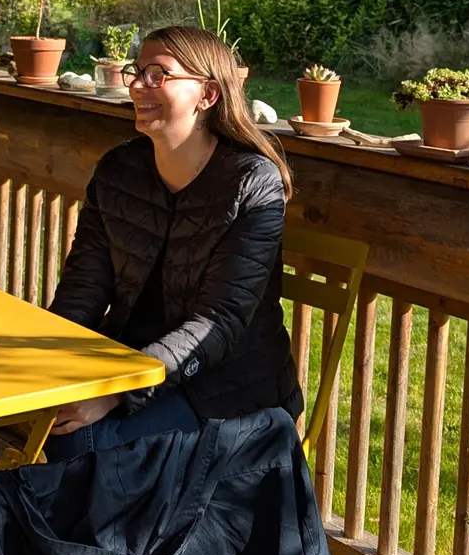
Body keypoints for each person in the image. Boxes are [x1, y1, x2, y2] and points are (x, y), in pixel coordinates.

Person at [45, 25, 300, 459]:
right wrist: (47, 368)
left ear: (208, 95)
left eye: (158, 74)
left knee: (77, 438)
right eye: (137, 72)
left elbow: (218, 322)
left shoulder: (252, 183)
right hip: (132, 359)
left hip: (228, 385)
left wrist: (119, 392)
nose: (138, 86)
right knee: (34, 413)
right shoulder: (119, 170)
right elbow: (82, 290)